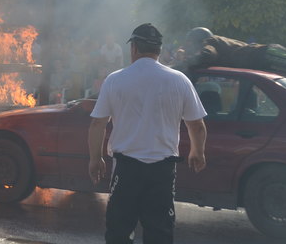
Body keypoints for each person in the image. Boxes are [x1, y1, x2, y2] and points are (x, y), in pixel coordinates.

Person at [88, 23, 207, 244]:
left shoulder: (115, 80)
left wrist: (96, 159)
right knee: (159, 233)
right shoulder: (179, 80)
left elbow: (97, 124)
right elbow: (197, 125)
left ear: (133, 48)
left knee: (119, 232)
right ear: (159, 50)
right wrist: (197, 152)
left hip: (126, 170)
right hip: (162, 172)